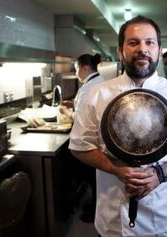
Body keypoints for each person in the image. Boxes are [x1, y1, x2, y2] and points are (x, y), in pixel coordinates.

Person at [69, 15, 167, 236]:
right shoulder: (98, 94)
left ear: (159, 51)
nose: (142, 48)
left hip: (162, 218)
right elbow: (78, 145)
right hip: (112, 218)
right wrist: (115, 169)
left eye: (149, 42)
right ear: (120, 51)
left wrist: (160, 174)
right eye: (133, 42)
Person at [61, 53, 106, 223]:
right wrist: (73, 104)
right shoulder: (97, 81)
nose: (76, 73)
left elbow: (80, 117)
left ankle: (94, 209)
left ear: (85, 68)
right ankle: (94, 205)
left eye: (77, 69)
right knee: (93, 177)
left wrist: (67, 112)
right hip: (97, 140)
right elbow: (88, 107)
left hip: (91, 142)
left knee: (89, 175)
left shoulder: (88, 87)